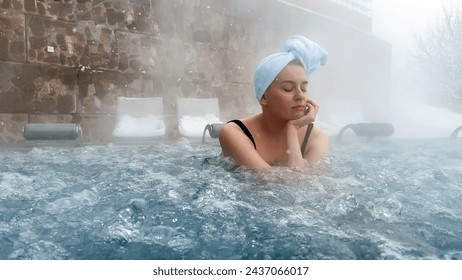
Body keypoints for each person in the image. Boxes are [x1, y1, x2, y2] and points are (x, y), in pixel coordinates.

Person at [219, 35, 329, 171]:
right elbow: (270, 181)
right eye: (288, 89)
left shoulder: (316, 138)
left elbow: (303, 187)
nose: (300, 96)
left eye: (304, 88)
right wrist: (293, 129)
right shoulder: (234, 132)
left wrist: (293, 129)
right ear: (264, 97)